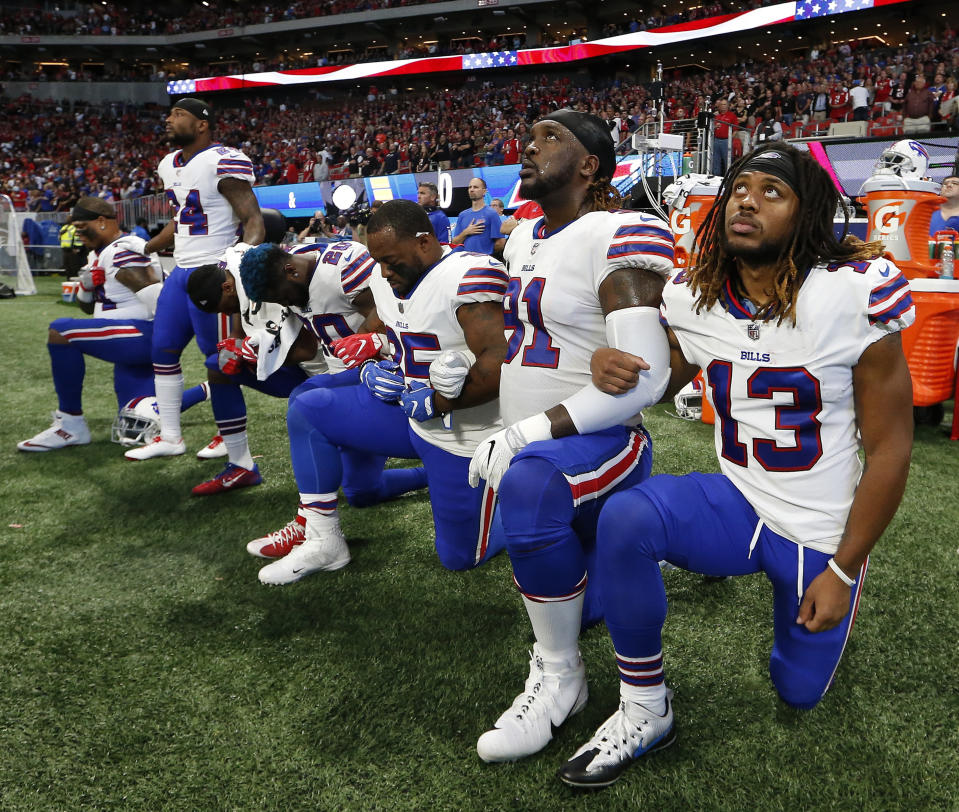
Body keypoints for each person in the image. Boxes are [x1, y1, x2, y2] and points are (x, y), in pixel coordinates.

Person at [557, 142, 914, 788]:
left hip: (816, 531)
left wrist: (843, 567)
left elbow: (890, 448)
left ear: (808, 218)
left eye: (771, 191)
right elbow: (666, 379)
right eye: (738, 187)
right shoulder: (694, 297)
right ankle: (643, 707)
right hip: (740, 501)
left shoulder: (850, 295)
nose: (746, 199)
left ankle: (821, 595)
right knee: (627, 517)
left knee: (795, 689)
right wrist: (614, 367)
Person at [467, 109, 675, 764]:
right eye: (529, 138)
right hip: (537, 443)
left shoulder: (622, 232)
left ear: (589, 164)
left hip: (606, 441)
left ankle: (560, 678)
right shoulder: (523, 237)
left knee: (528, 492)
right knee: (555, 571)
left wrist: (529, 430)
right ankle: (624, 562)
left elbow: (644, 381)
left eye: (549, 139)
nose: (528, 149)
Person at [243, 200, 508, 585]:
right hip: (409, 416)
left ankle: (511, 501)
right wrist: (373, 359)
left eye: (390, 260)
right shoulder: (386, 278)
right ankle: (322, 538)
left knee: (460, 557)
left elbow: (501, 360)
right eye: (377, 261)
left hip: (464, 432)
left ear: (423, 243)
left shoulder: (468, 276)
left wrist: (438, 399)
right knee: (309, 406)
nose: (382, 272)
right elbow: (384, 329)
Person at [125, 98, 266, 495]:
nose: (169, 120)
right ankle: (171, 435)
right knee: (163, 349)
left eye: (179, 114)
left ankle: (237, 454)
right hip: (179, 270)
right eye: (169, 114)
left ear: (203, 124)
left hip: (211, 271)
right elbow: (181, 217)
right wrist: (149, 247)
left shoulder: (223, 158)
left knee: (219, 363)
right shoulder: (169, 163)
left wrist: (235, 262)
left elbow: (252, 219)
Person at [18, 197, 207, 451]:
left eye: (81, 226)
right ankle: (211, 388)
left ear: (101, 222)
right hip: (130, 337)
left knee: (61, 330)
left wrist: (166, 345)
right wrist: (86, 288)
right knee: (135, 417)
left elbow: (160, 301)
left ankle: (71, 424)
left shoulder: (123, 250)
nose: (77, 233)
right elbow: (89, 306)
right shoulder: (100, 253)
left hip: (142, 334)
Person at [451, 177, 504, 255]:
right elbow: (454, 243)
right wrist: (466, 232)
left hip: (483, 263)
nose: (471, 189)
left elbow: (501, 243)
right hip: (465, 262)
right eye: (470, 187)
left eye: (475, 187)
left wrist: (485, 253)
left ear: (484, 191)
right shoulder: (462, 215)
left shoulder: (491, 214)